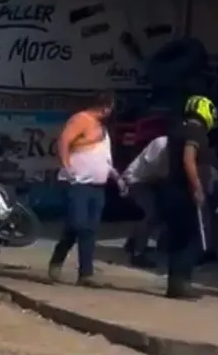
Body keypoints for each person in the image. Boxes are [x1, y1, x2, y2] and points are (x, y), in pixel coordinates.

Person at [48, 91, 124, 286]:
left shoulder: (102, 130)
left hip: (97, 186)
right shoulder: (81, 119)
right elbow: (64, 141)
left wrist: (117, 178)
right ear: (106, 108)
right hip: (78, 183)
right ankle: (58, 258)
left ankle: (86, 274)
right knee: (77, 224)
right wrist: (67, 166)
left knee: (90, 230)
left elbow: (105, 159)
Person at [164, 95, 217, 299]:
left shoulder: (177, 129)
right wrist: (197, 187)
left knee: (177, 240)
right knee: (192, 240)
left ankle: (175, 285)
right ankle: (183, 284)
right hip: (185, 192)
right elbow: (188, 159)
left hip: (172, 190)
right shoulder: (196, 131)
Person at [121, 135, 169, 268]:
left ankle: (133, 242)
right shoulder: (161, 143)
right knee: (148, 213)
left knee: (158, 212)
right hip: (136, 180)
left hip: (152, 183)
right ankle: (137, 253)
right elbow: (152, 170)